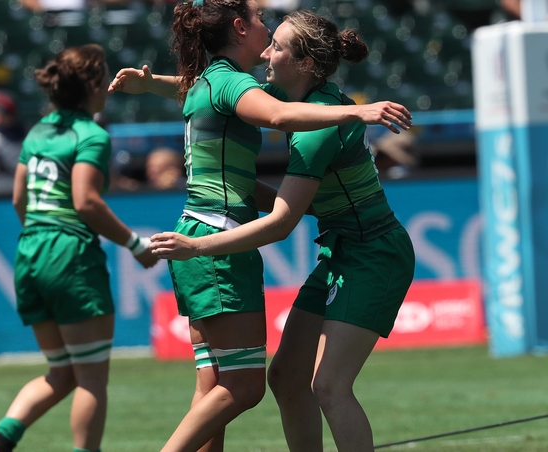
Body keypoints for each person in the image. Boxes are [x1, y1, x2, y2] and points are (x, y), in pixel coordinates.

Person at [108, 1, 411, 450]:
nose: (268, 50)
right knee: (285, 378)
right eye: (265, 33)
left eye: (279, 46)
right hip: (339, 252)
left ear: (305, 63)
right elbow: (215, 90)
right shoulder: (291, 100)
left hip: (373, 253)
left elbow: (283, 220)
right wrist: (154, 85)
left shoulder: (313, 120)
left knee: (326, 385)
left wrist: (199, 247)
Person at [0, 43, 159, 452]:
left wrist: (40, 242)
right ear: (94, 85)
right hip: (69, 253)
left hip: (30, 251)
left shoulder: (38, 131)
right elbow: (86, 202)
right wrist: (134, 244)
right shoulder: (92, 133)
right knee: (92, 377)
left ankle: (1, 437)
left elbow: (19, 200)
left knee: (62, 370)